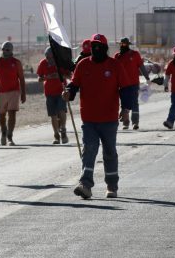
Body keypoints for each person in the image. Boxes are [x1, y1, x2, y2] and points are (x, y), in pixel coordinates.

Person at [63, 34, 129, 199]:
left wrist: (126, 109)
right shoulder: (83, 65)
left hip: (109, 118)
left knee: (109, 152)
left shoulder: (115, 65)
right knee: (89, 150)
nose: (96, 49)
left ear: (105, 48)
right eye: (94, 46)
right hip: (89, 118)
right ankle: (85, 184)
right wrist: (68, 93)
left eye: (99, 46)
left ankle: (112, 186)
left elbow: (125, 89)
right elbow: (74, 84)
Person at [0, 41, 26, 146]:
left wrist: (23, 93)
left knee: (12, 113)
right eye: (3, 49)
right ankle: (3, 130)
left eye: (7, 50)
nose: (5, 52)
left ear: (11, 50)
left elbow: (21, 78)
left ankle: (10, 136)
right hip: (0, 92)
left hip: (14, 92)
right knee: (1, 115)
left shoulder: (16, 63)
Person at [114, 37, 150, 130]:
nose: (122, 45)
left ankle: (135, 122)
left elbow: (141, 67)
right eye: (121, 44)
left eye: (124, 44)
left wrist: (147, 77)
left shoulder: (135, 54)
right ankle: (126, 122)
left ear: (128, 44)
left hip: (133, 84)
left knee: (134, 103)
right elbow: (114, 70)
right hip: (122, 84)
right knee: (124, 104)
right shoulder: (117, 56)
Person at [37, 47, 70, 144]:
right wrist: (47, 77)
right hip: (49, 92)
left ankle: (63, 129)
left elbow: (70, 75)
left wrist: (61, 76)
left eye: (51, 57)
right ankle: (56, 135)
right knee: (53, 115)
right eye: (47, 57)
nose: (49, 60)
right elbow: (39, 78)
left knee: (61, 110)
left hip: (61, 91)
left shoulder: (61, 63)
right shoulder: (43, 63)